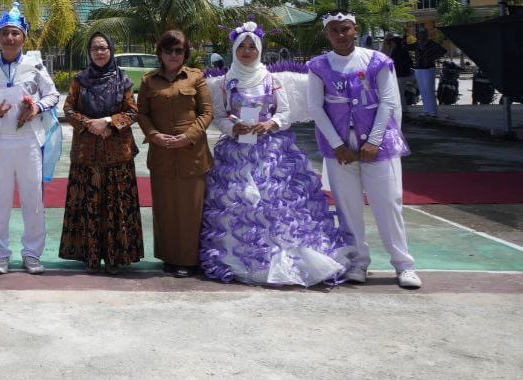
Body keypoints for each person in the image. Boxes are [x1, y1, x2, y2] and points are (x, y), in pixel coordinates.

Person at [199, 22, 352, 286]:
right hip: (237, 151)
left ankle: (282, 255)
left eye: (252, 47)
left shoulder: (271, 79)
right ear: (234, 50)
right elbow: (219, 115)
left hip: (271, 152)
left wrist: (270, 124)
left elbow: (284, 112)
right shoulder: (225, 82)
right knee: (241, 202)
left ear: (259, 50)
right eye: (242, 47)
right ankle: (245, 260)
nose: (247, 51)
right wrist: (232, 127)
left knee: (276, 204)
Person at [309, 12, 420, 289]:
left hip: (378, 147)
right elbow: (316, 108)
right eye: (334, 30)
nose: (340, 35)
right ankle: (358, 261)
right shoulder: (318, 66)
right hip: (340, 148)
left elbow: (388, 102)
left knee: (388, 203)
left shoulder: (377, 61)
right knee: (347, 207)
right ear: (326, 34)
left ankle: (403, 265)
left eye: (345, 29)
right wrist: (337, 145)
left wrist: (374, 141)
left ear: (355, 29)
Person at [0, 2, 60, 275]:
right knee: (0, 201)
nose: (9, 38)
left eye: (15, 33)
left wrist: (37, 108)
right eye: (4, 33)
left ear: (23, 37)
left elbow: (53, 95)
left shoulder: (35, 65)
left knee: (33, 199)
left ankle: (32, 253)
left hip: (29, 142)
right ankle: (0, 254)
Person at [59, 32, 143, 274]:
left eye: (103, 48)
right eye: (95, 48)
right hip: (87, 154)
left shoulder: (123, 80)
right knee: (90, 204)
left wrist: (108, 122)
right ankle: (91, 256)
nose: (99, 52)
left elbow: (133, 111)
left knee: (116, 206)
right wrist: (90, 124)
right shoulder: (80, 80)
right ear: (89, 52)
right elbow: (68, 109)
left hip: (117, 154)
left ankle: (115, 257)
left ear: (111, 50)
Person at [137, 30, 213, 278]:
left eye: (178, 50)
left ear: (185, 53)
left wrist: (188, 136)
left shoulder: (196, 78)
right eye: (168, 50)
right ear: (160, 53)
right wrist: (154, 135)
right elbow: (142, 113)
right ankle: (169, 257)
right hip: (162, 154)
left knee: (191, 209)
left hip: (192, 155)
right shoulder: (149, 81)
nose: (173, 55)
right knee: (165, 209)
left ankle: (189, 260)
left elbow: (206, 112)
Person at [410, 26, 446, 116]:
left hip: (428, 68)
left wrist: (432, 58)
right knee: (423, 90)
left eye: (423, 33)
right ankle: (426, 110)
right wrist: (404, 37)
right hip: (418, 69)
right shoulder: (416, 44)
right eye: (419, 33)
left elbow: (443, 51)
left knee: (429, 90)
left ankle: (433, 111)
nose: (421, 35)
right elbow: (406, 47)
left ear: (426, 34)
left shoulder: (431, 43)